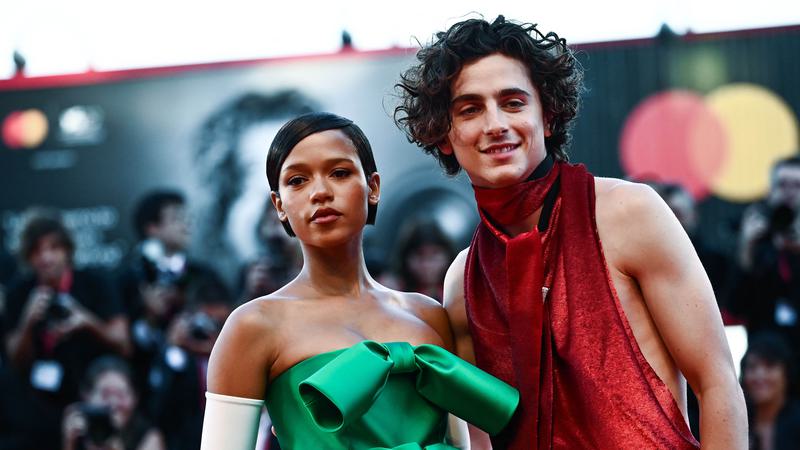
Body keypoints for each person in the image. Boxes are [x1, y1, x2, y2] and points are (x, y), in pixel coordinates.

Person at [394, 15, 747, 449]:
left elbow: (717, 382)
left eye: (513, 103)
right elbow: (479, 437)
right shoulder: (463, 281)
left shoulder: (629, 213)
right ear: (443, 134)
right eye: (470, 109)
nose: (495, 124)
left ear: (548, 116)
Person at [201, 112, 519, 450]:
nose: (320, 192)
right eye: (297, 180)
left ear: (373, 187)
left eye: (339, 173)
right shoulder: (253, 326)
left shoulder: (429, 314)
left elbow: (465, 442)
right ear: (279, 205)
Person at [3, 211, 131, 449]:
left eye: (54, 248)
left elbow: (123, 343)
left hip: (89, 399)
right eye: (37, 251)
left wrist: (87, 321)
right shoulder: (19, 293)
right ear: (28, 256)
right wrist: (28, 320)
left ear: (67, 250)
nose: (46, 258)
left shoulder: (95, 282)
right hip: (36, 410)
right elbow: (14, 360)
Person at [62, 355, 165, 450]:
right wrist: (69, 443)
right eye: (105, 394)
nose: (113, 403)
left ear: (135, 398)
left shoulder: (148, 437)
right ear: (87, 395)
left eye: (121, 395)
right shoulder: (78, 431)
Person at [741, 332, 800, 450]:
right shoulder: (737, 422)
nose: (759, 375)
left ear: (786, 373)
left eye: (770, 366)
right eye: (752, 367)